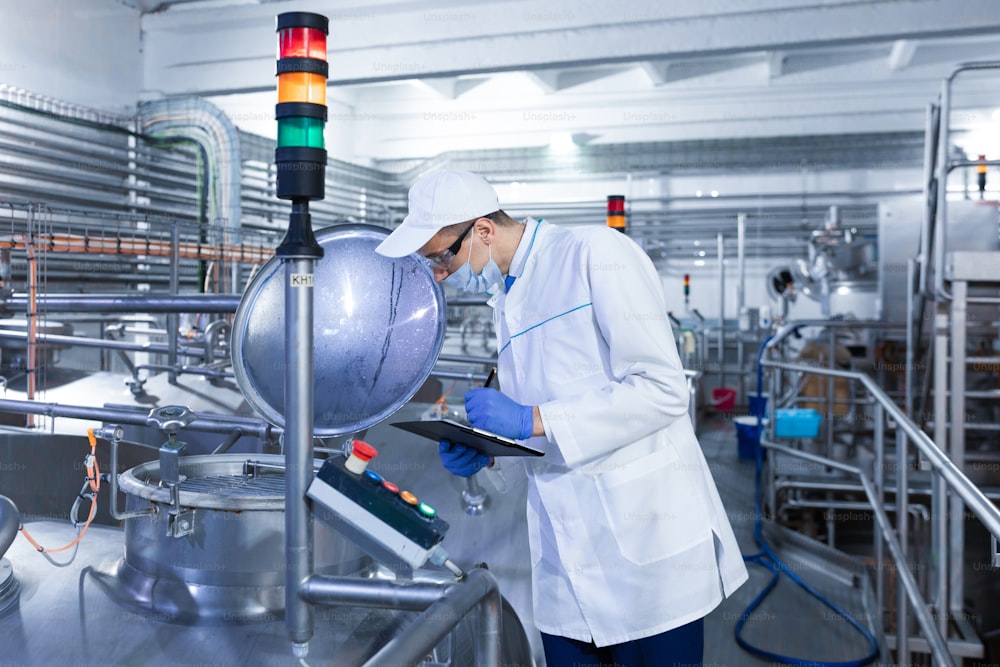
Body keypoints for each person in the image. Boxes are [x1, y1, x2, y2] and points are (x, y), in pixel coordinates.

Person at [376, 170, 748, 667]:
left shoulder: (596, 254)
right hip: (564, 562)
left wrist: (530, 418)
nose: (440, 275)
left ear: (483, 231)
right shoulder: (505, 301)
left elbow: (662, 391)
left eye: (443, 257)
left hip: (647, 549)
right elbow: (542, 431)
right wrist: (486, 455)